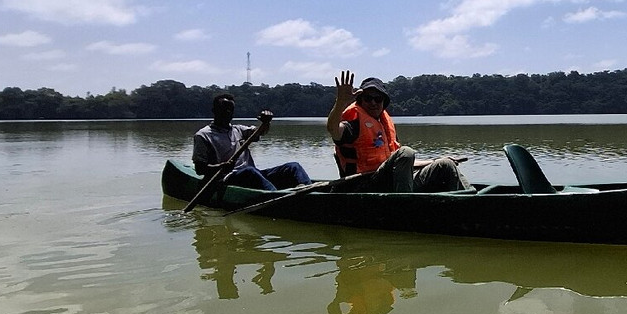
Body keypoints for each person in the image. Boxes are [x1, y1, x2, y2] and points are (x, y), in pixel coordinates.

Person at [326, 71, 470, 193]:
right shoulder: (354, 123)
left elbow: (403, 162)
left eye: (378, 99)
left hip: (390, 182)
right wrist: (340, 103)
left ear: (384, 102)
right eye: (368, 98)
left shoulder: (384, 125)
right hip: (362, 185)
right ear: (360, 100)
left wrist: (434, 160)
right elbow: (334, 130)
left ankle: (470, 200)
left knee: (444, 164)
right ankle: (403, 204)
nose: (373, 103)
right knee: (406, 151)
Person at [193, 93, 312, 191]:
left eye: (231, 110)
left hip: (253, 175)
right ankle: (275, 195)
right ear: (214, 110)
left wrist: (266, 122)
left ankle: (308, 189)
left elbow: (260, 132)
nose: (228, 113)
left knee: (293, 167)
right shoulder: (203, 135)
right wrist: (221, 167)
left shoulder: (238, 130)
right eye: (224, 109)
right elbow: (200, 169)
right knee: (250, 172)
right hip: (227, 178)